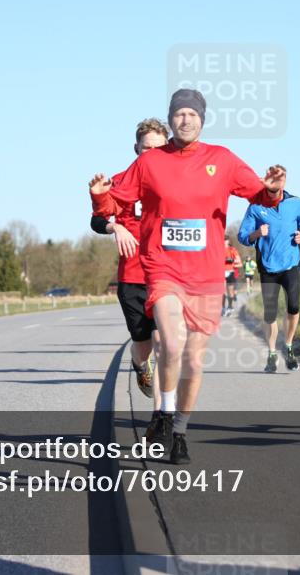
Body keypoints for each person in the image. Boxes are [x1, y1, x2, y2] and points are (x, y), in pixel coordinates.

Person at [91, 89, 285, 465]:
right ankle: (164, 414)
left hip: (206, 275)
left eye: (192, 114)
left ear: (202, 119)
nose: (185, 120)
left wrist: (273, 190)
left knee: (194, 361)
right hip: (163, 268)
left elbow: (260, 195)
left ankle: (179, 430)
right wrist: (100, 197)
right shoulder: (150, 162)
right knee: (171, 342)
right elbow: (115, 201)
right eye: (179, 114)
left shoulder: (222, 159)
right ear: (171, 119)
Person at [89, 119, 169, 410]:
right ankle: (139, 365)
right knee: (143, 344)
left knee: (164, 344)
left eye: (159, 148)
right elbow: (98, 218)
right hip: (132, 276)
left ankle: (162, 417)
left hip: (166, 276)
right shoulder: (119, 182)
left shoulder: (176, 183)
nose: (152, 154)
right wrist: (115, 227)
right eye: (147, 148)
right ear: (136, 148)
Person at [238, 165, 300, 373]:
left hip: (291, 263)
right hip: (268, 267)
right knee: (270, 314)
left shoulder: (295, 202)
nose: (277, 185)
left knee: (293, 306)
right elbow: (243, 236)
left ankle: (288, 346)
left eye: (281, 180)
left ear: (284, 182)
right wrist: (257, 233)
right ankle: (271, 353)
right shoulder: (255, 207)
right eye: (273, 181)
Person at [222, 239, 242, 316]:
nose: (224, 242)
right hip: (221, 272)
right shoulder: (218, 249)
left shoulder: (232, 250)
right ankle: (223, 307)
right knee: (222, 290)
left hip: (230, 272)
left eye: (225, 240)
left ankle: (230, 306)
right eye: (223, 240)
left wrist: (232, 263)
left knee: (230, 291)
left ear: (228, 241)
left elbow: (239, 263)